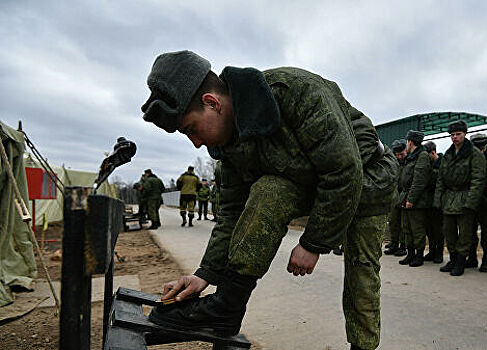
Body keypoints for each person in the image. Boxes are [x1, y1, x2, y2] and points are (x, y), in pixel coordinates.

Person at [140, 50, 398, 350]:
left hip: (368, 177)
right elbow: (231, 217)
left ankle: (362, 347)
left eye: (191, 130)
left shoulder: (295, 92)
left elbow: (343, 172)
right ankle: (227, 307)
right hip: (313, 181)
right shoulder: (229, 148)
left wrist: (313, 243)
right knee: (269, 190)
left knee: (361, 270)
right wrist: (204, 274)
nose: (196, 142)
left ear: (213, 103)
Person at [434, 120, 486, 276]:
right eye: (452, 135)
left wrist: (471, 202)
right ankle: (453, 258)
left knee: (465, 234)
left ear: (465, 134)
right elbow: (441, 179)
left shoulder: (474, 154)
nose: (455, 137)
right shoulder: (448, 155)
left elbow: (478, 180)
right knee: (449, 231)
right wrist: (438, 200)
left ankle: (461, 261)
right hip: (449, 198)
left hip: (465, 196)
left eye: (458, 134)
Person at [398, 130, 433, 267]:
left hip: (417, 199)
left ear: (410, 142)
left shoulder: (422, 156)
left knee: (417, 228)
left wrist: (411, 199)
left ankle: (419, 255)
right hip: (406, 196)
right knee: (406, 227)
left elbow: (419, 180)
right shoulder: (412, 156)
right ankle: (410, 253)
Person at [467, 133, 487, 272]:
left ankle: (486, 261)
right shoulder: (468, 157)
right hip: (473, 200)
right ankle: (472, 258)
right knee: (470, 232)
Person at [384, 139, 407, 256]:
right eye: (397, 155)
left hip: (404, 194)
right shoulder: (394, 162)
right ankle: (394, 243)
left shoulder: (410, 161)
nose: (399, 157)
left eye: (401, 154)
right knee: (393, 221)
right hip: (394, 195)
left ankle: (403, 245)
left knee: (403, 223)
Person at [423, 141, 444, 263]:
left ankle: (439, 253)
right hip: (428, 201)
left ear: (433, 153)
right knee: (429, 228)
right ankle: (432, 251)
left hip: (438, 201)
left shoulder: (442, 163)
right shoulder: (430, 165)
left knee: (438, 229)